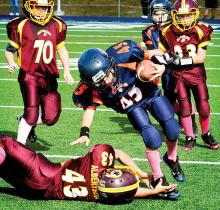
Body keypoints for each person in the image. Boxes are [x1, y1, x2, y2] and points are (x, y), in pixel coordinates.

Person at [71, 40, 186, 200]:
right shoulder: (89, 90)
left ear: (111, 63)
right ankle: (158, 178)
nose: (107, 81)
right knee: (152, 137)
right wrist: (84, 132)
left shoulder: (122, 55)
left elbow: (150, 54)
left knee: (172, 128)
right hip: (133, 107)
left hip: (151, 94)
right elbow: (90, 109)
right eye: (100, 81)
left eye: (108, 74)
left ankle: (171, 158)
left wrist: (161, 65)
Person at [0, 135, 177, 201]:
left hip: (43, 172)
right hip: (34, 193)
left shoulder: (99, 159)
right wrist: (155, 192)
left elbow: (120, 154)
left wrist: (141, 173)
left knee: (5, 143)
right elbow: (130, 191)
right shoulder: (102, 195)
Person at [5, 0, 74, 145]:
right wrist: (11, 62)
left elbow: (61, 49)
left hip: (49, 77)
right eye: (37, 7)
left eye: (44, 7)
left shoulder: (58, 24)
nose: (41, 10)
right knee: (31, 113)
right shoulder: (21, 25)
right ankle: (19, 147)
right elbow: (10, 50)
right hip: (29, 75)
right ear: (29, 7)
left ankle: (24, 120)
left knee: (52, 117)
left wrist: (67, 70)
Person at [158, 0, 219, 150]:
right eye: (181, 16)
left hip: (196, 73)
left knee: (204, 106)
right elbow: (162, 53)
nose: (185, 19)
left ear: (195, 15)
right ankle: (190, 136)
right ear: (175, 16)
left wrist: (180, 61)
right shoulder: (167, 30)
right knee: (184, 106)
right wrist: (163, 59)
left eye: (188, 16)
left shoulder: (201, 29)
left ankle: (206, 133)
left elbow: (200, 57)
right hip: (178, 75)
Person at [142, 0, 198, 140]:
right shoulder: (148, 32)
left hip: (180, 67)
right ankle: (180, 118)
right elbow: (153, 52)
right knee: (169, 97)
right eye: (156, 13)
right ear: (151, 14)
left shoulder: (176, 29)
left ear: (170, 14)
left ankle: (192, 122)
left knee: (184, 97)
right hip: (164, 68)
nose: (160, 17)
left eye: (163, 13)